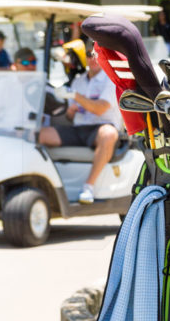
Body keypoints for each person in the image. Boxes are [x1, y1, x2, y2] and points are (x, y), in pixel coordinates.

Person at [40, 43, 123, 204]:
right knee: (40, 134)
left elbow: (100, 109)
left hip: (100, 129)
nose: (92, 58)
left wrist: (76, 96)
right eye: (89, 54)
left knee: (109, 134)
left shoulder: (111, 80)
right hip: (78, 129)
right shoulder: (78, 81)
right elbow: (71, 116)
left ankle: (88, 186)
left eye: (96, 54)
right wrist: (70, 113)